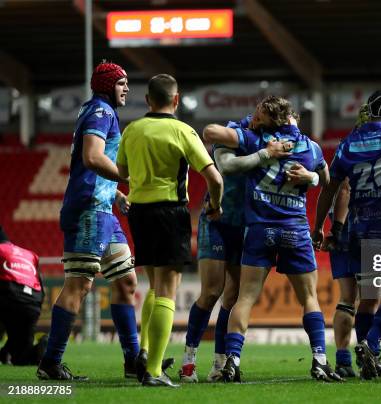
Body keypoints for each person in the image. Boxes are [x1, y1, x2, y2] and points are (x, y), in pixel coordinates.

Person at [203, 95, 340, 383]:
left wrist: (261, 145)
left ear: (270, 119)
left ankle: (233, 361)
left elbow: (211, 132)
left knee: (245, 298)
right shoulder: (312, 147)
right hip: (295, 230)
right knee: (310, 298)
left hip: (260, 230)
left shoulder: (257, 140)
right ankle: (319, 360)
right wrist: (310, 178)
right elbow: (327, 180)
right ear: (292, 118)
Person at [116, 73, 223, 387]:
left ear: (148, 100)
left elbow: (121, 172)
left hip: (139, 213)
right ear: (176, 100)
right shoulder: (182, 130)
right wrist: (214, 206)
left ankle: (145, 352)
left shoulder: (132, 130)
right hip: (169, 212)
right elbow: (214, 178)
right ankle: (152, 371)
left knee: (153, 285)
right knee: (167, 290)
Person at [37, 61, 139, 381]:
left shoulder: (99, 110)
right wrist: (128, 176)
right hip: (89, 210)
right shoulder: (101, 112)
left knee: (126, 282)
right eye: (121, 83)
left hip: (104, 207)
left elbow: (95, 164)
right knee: (79, 285)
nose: (127, 89)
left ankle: (133, 361)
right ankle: (50, 362)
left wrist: (117, 193)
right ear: (108, 85)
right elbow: (92, 157)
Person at [313, 89, 381, 380]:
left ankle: (364, 361)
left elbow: (331, 189)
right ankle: (370, 345)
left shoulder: (348, 145)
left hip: (360, 231)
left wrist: (318, 226)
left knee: (367, 298)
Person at [179, 120, 294, 383]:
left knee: (231, 298)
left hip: (245, 226)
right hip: (216, 220)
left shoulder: (277, 141)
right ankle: (188, 362)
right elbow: (218, 149)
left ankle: (219, 365)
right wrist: (265, 152)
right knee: (211, 292)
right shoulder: (238, 133)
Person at [0, 226, 47, 366]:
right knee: (21, 358)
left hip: (8, 299)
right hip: (32, 306)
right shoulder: (30, 254)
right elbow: (40, 285)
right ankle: (46, 346)